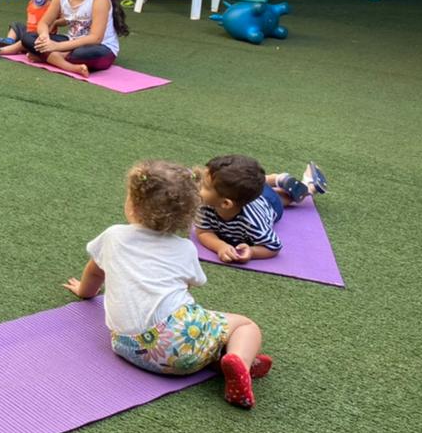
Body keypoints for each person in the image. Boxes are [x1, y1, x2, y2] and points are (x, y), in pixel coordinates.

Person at [64, 159, 273, 409]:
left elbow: (95, 272)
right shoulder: (184, 248)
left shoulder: (113, 236)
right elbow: (190, 285)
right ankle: (239, 360)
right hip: (182, 353)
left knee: (190, 330)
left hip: (126, 346)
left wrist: (84, 292)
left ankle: (221, 359)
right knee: (245, 325)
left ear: (132, 205)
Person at [196, 155, 328, 263]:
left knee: (283, 198)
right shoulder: (207, 205)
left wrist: (252, 252)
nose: (197, 186)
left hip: (270, 204)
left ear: (225, 203)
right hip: (249, 197)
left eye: (204, 186)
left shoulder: (252, 223)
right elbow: (203, 232)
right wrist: (220, 246)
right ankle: (273, 179)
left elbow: (273, 246)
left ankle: (308, 187)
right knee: (245, 186)